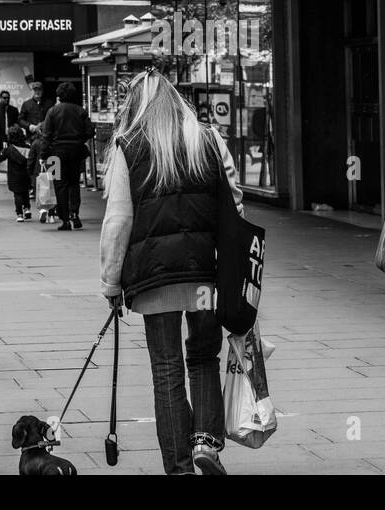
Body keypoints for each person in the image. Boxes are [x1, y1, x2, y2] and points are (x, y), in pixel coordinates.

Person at [98, 69, 243, 475]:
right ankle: (206, 444)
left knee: (166, 368)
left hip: (154, 278)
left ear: (137, 105)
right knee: (203, 356)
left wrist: (110, 279)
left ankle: (178, 467)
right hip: (204, 275)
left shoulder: (129, 146)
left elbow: (118, 220)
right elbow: (235, 206)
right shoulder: (208, 139)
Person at [39, 82, 96, 231]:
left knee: (60, 185)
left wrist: (43, 155)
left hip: (56, 154)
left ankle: (64, 220)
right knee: (74, 183)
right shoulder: (80, 111)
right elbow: (90, 131)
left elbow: (46, 136)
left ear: (59, 95)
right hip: (76, 152)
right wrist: (79, 139)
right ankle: (74, 214)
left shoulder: (52, 111)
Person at [0, 125, 34, 221]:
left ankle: (19, 214)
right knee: (25, 192)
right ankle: (27, 209)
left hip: (14, 176)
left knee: (17, 194)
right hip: (26, 174)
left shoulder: (10, 149)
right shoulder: (28, 147)